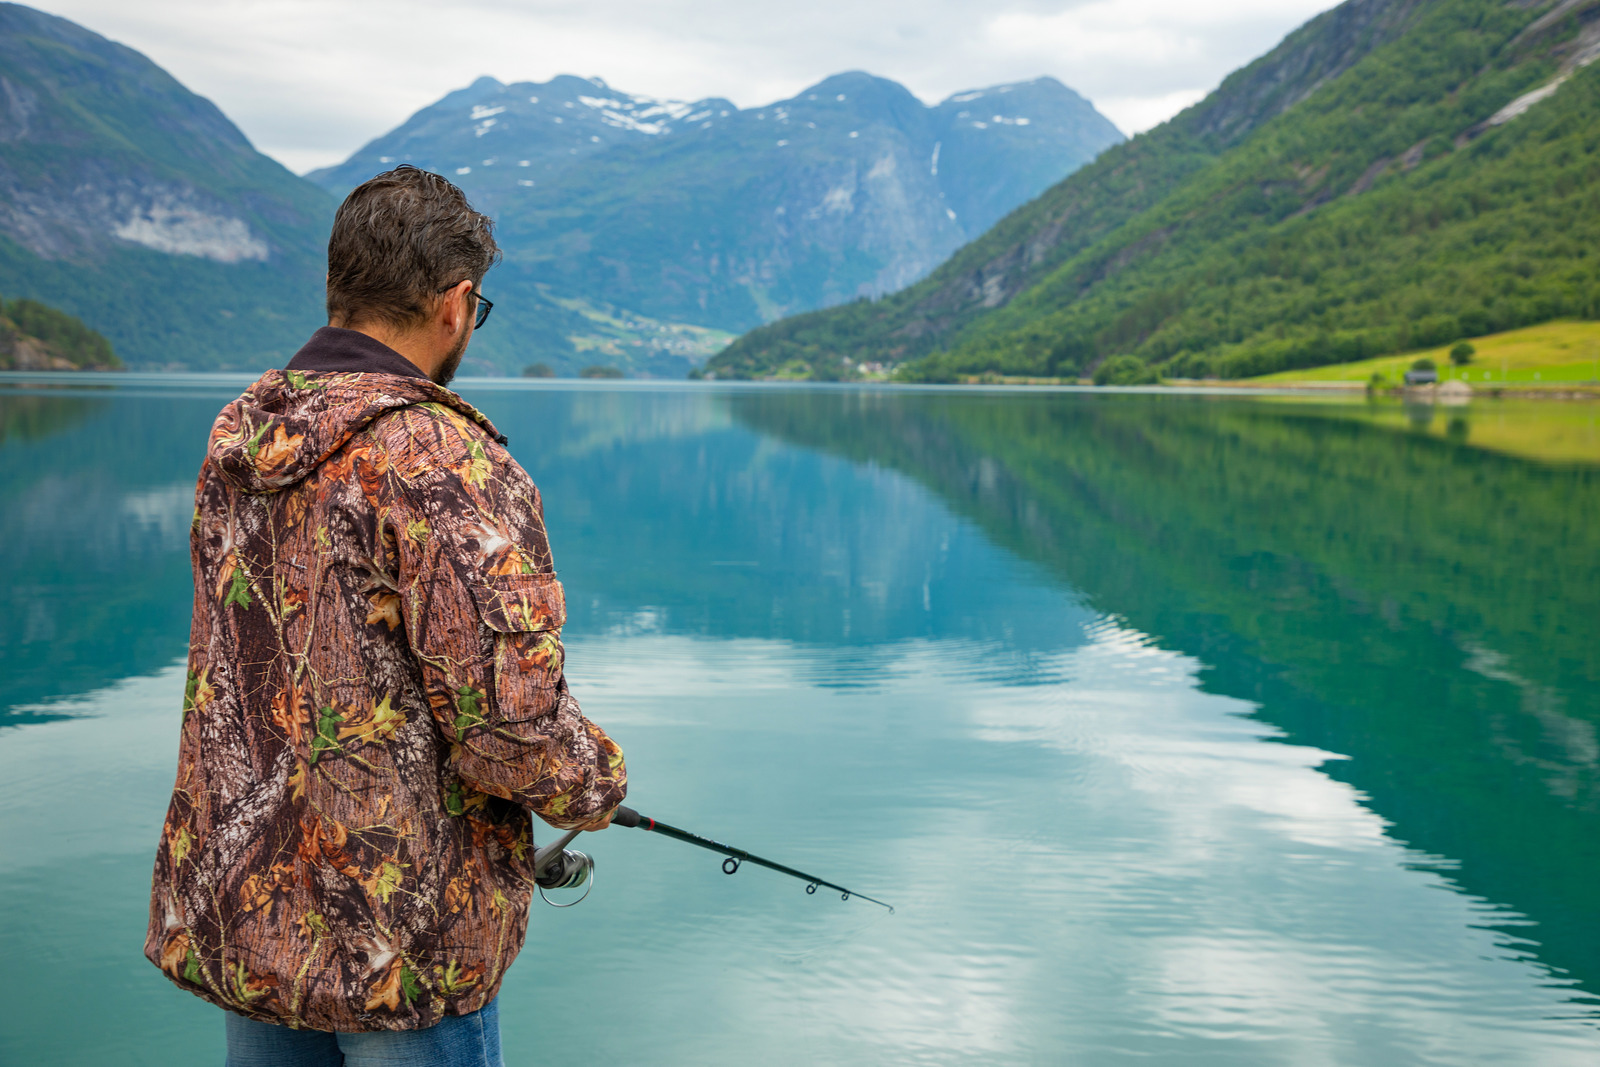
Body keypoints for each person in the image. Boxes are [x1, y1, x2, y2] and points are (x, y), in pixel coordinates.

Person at [144, 166, 627, 1066]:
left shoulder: (241, 437)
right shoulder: (439, 460)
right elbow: (507, 729)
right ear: (456, 302)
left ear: (341, 287)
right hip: (402, 948)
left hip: (256, 920)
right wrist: (599, 782)